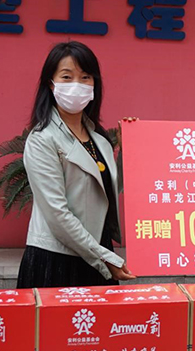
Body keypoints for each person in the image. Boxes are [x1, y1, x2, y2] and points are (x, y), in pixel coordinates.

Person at [17, 41, 135, 288]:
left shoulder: (98, 138)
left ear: (94, 85)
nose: (77, 85)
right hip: (58, 257)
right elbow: (57, 214)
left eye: (85, 77)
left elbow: (109, 191)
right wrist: (103, 257)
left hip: (97, 251)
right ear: (51, 83)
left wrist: (128, 149)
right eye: (67, 77)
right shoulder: (42, 139)